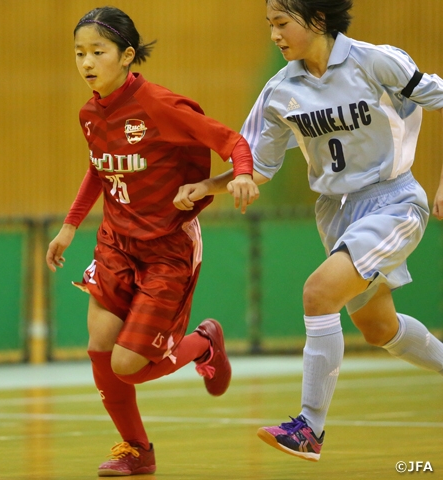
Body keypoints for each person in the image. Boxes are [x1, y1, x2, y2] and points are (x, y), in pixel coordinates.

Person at [174, 0, 443, 463]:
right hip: (335, 213)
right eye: (270, 25)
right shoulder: (280, 90)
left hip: (393, 202)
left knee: (318, 293)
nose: (275, 35)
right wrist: (211, 185)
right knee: (378, 328)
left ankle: (309, 428)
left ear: (317, 19)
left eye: (282, 23)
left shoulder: (377, 61)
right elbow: (255, 167)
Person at [46, 6, 259, 476]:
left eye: (97, 52)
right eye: (79, 53)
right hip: (116, 243)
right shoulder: (90, 113)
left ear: (126, 55)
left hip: (167, 248)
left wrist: (241, 173)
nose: (86, 63)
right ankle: (136, 449)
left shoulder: (159, 105)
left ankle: (203, 343)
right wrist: (69, 226)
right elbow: (99, 168)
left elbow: (231, 140)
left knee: (128, 365)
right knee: (100, 344)